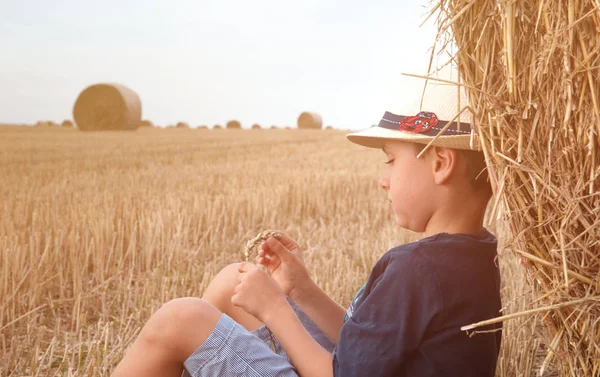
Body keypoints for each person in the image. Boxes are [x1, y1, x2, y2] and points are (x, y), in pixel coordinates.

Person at [110, 65, 502, 377]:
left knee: (182, 319)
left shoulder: (417, 269)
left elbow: (342, 371)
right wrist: (301, 290)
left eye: (390, 159)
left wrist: (275, 310)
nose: (383, 178)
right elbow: (367, 349)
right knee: (235, 279)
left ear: (440, 163)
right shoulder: (475, 255)